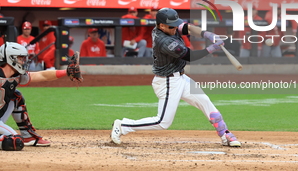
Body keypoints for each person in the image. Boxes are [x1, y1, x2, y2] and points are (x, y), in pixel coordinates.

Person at [111, 8, 241, 147]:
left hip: (181, 78)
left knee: (205, 101)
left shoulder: (167, 27)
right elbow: (189, 56)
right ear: (161, 26)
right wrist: (212, 48)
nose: (175, 28)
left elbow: (187, 28)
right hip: (168, 82)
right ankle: (123, 125)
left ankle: (224, 133)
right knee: (162, 122)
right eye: (172, 26)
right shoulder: (164, 41)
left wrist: (207, 34)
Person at [0, 42, 81, 151]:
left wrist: (66, 72)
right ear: (10, 59)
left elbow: (41, 75)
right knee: (15, 141)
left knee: (16, 95)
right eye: (20, 58)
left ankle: (28, 136)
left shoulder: (15, 75)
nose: (23, 61)